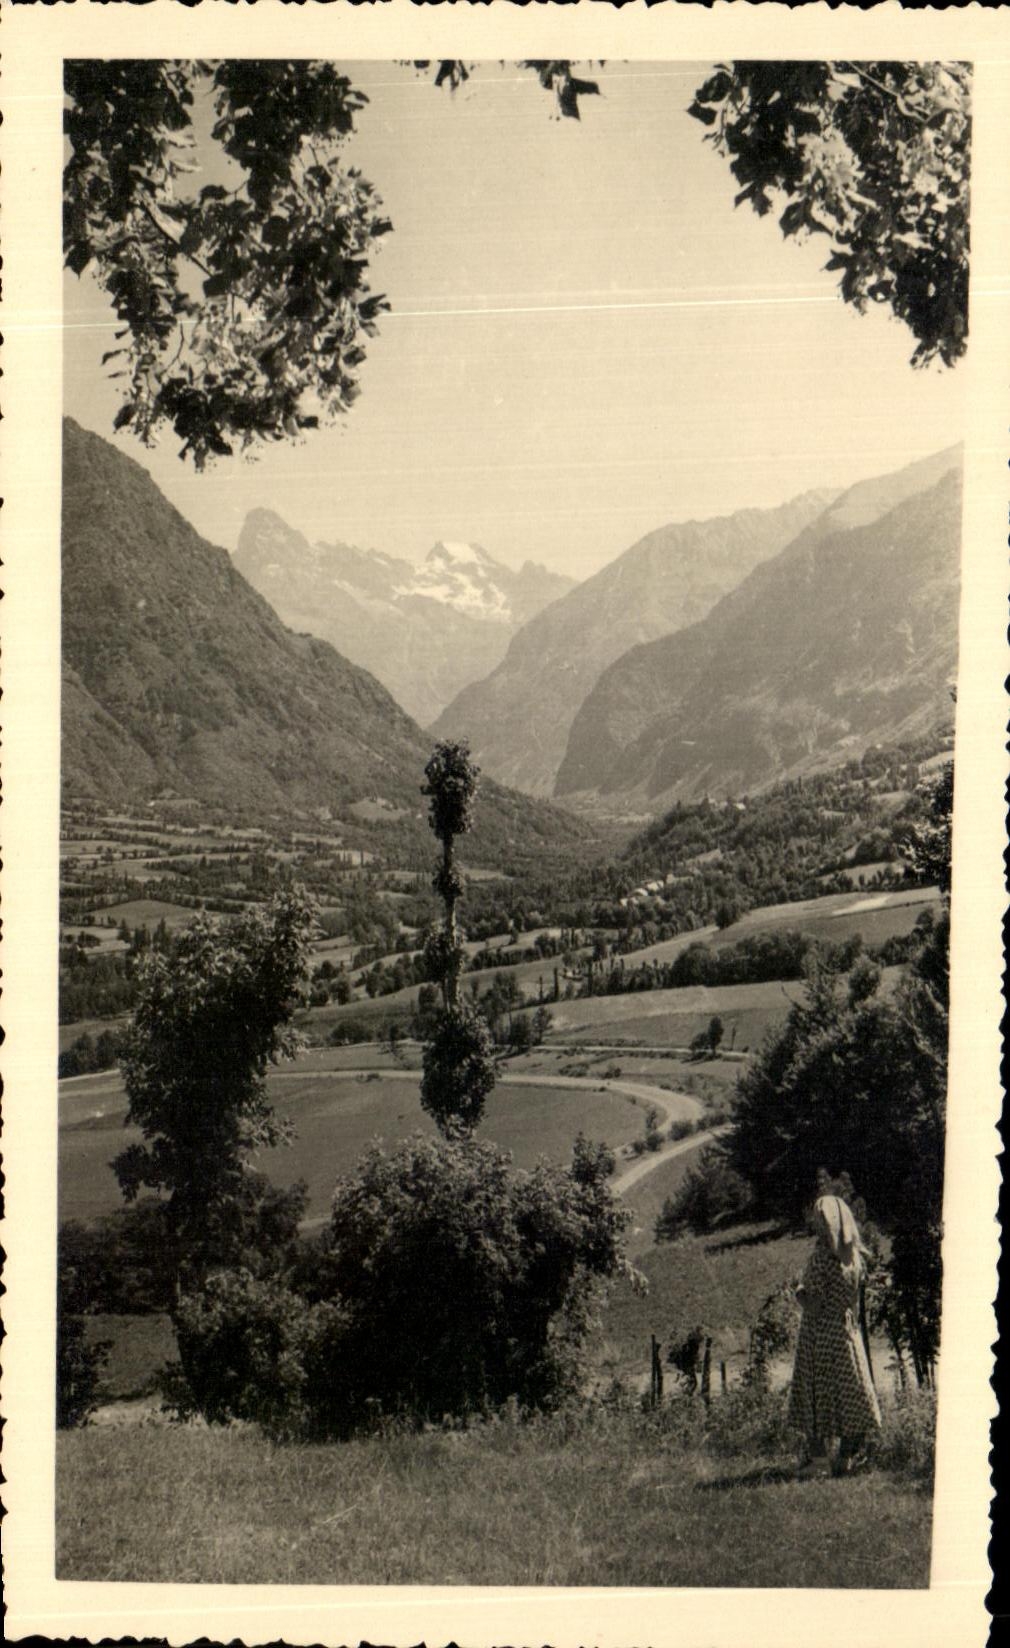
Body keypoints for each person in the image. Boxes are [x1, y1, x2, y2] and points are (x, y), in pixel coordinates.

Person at [788, 1193, 882, 1477]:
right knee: (850, 1391)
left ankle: (818, 1462)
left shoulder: (821, 1258)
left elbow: (814, 1304)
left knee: (814, 1391)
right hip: (846, 1330)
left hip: (819, 1333)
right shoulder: (853, 1258)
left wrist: (799, 1291)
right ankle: (845, 1458)